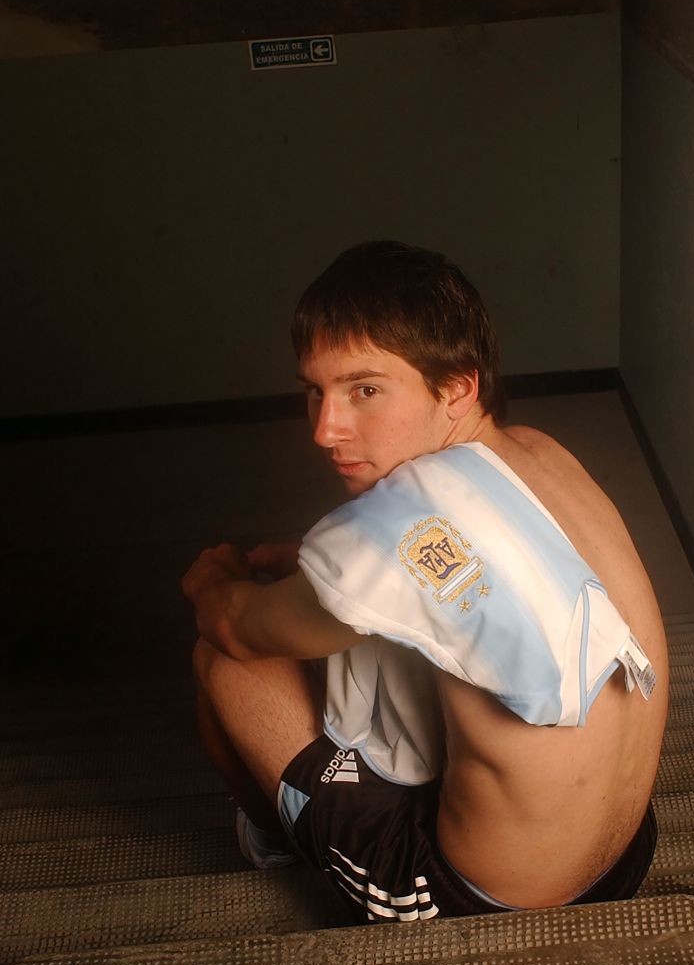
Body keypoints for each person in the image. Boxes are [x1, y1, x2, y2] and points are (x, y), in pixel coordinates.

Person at [182, 241, 669, 922]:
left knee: (223, 662)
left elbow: (234, 624)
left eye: (366, 390)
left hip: (482, 898)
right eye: (315, 392)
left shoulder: (401, 522)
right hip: (626, 850)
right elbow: (479, 579)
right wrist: (330, 576)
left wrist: (216, 581)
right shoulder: (539, 451)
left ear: (457, 387)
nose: (326, 429)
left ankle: (277, 836)